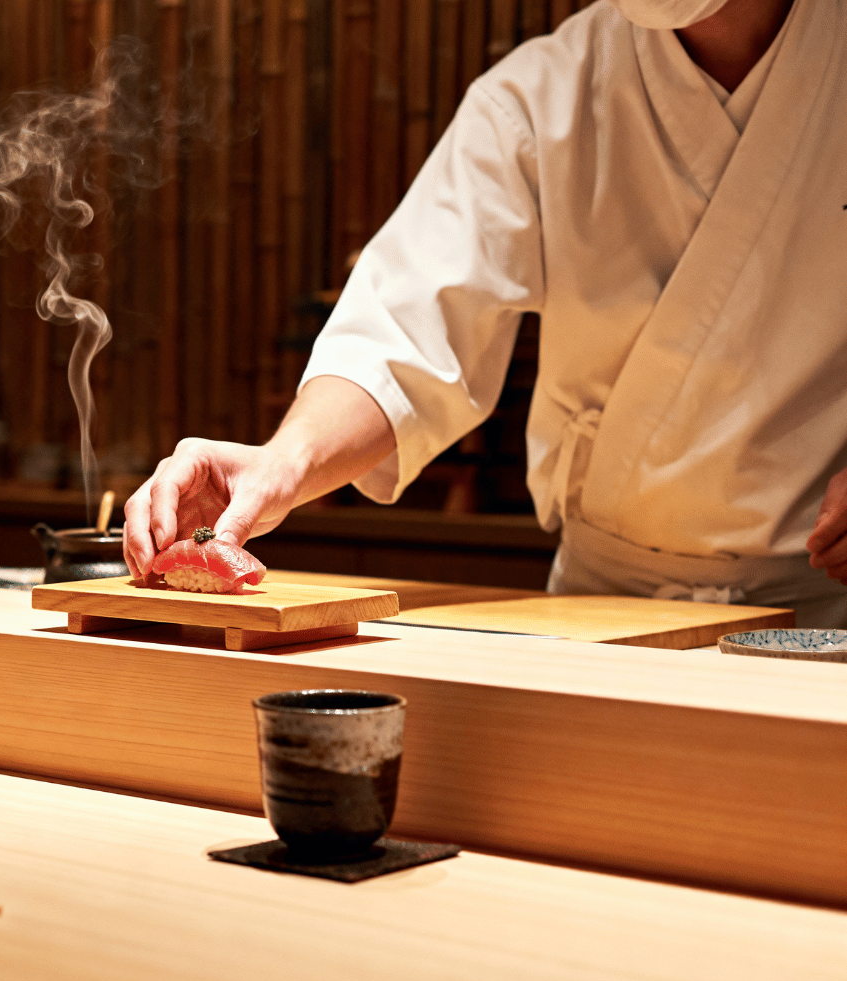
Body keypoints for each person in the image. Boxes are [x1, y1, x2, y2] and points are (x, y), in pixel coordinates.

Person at [123, 0, 847, 627]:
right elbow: (405, 330)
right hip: (606, 611)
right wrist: (282, 465)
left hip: (825, 613)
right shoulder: (541, 94)